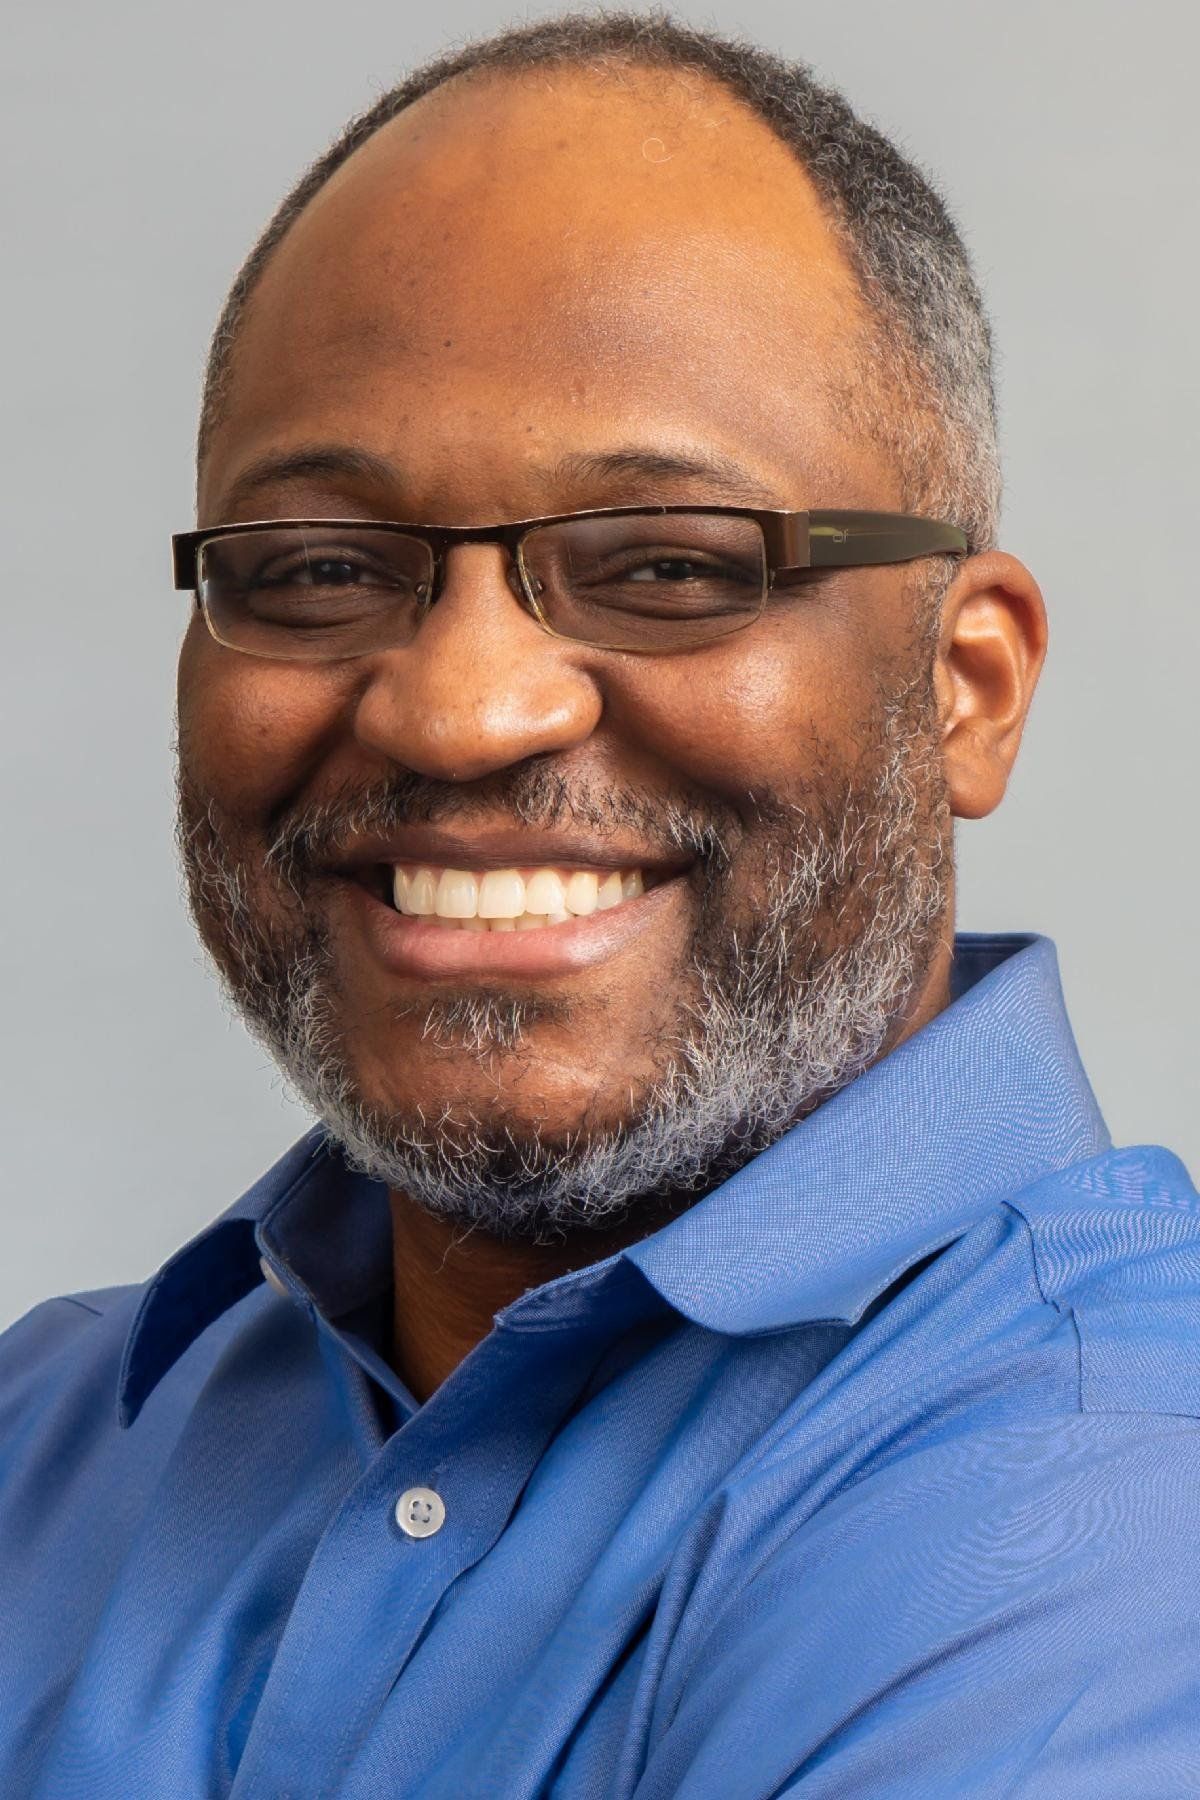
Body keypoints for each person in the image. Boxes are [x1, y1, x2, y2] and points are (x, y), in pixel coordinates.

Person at [3, 13, 1197, 1796]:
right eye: (322, 569)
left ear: (968, 686)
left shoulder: (1114, 1508)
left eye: (667, 566)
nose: (458, 710)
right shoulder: (52, 1431)